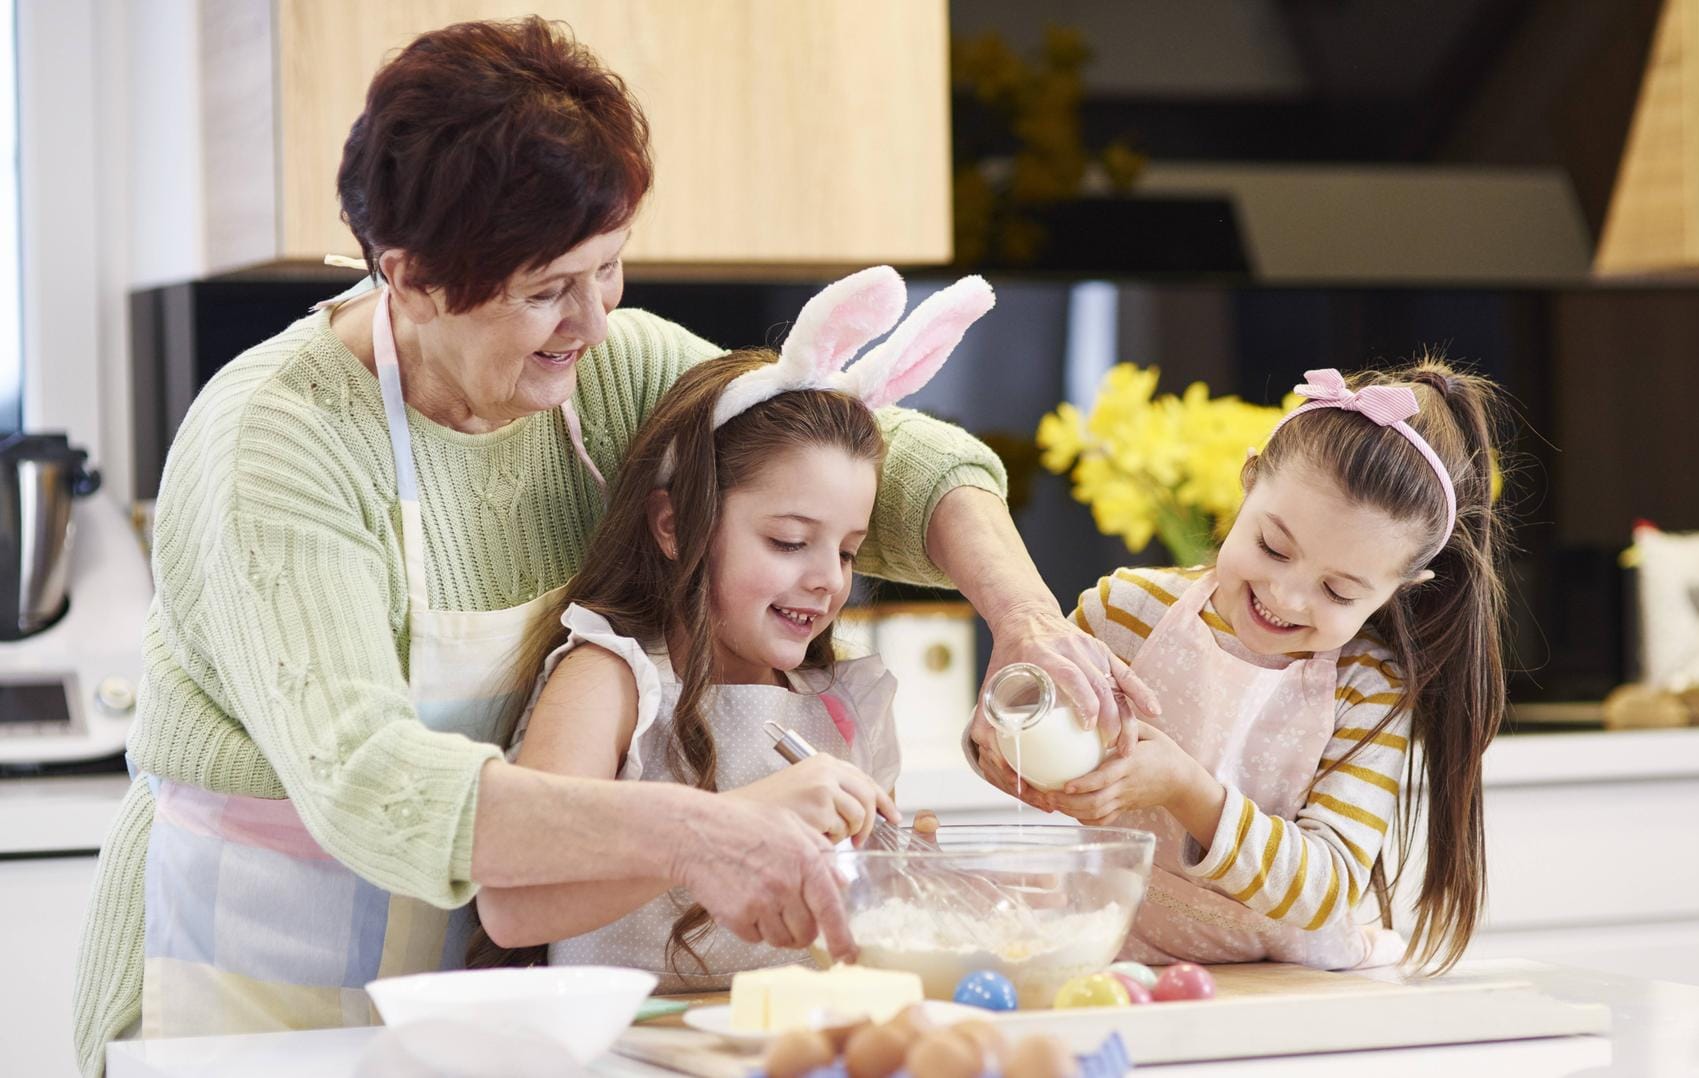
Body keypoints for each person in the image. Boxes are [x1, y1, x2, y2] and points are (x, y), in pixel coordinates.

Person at [71, 19, 1127, 1075]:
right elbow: (368, 782)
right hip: (245, 987)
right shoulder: (276, 441)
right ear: (412, 276)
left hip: (467, 989)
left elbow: (861, 444)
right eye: (546, 289)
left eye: (609, 267)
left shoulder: (606, 370)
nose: (594, 318)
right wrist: (698, 831)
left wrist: (1025, 618)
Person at [475, 269, 990, 989]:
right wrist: (743, 820)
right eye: (787, 541)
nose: (827, 578)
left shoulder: (838, 701)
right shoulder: (615, 679)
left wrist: (891, 878)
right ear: (676, 526)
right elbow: (514, 903)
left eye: (847, 551)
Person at [1038, 361, 1513, 972]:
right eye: (1272, 547)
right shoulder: (1125, 611)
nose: (1287, 597)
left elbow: (1327, 889)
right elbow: (1027, 711)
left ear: (1402, 588)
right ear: (1247, 480)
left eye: (1339, 592)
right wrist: (1001, 735)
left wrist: (1188, 792)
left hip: (1293, 982)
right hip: (1116, 958)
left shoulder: (1367, 691)